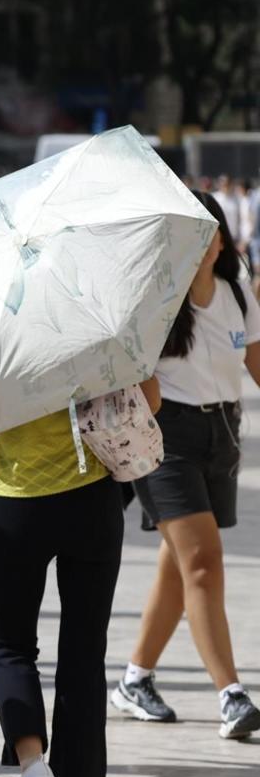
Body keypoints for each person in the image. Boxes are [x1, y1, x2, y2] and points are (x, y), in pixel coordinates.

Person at [0, 379, 160, 777]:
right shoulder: (97, 316)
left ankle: (32, 767)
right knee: (85, 652)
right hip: (91, 497)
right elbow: (152, 397)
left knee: (10, 644)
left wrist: (17, 429)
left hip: (14, 499)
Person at [113, 190, 260, 741]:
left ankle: (134, 680)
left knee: (180, 567)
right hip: (166, 435)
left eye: (210, 231)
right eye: (189, 233)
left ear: (222, 239)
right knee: (203, 561)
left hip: (221, 434)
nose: (203, 242)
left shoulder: (238, 293)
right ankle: (232, 695)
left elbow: (256, 362)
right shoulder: (155, 302)